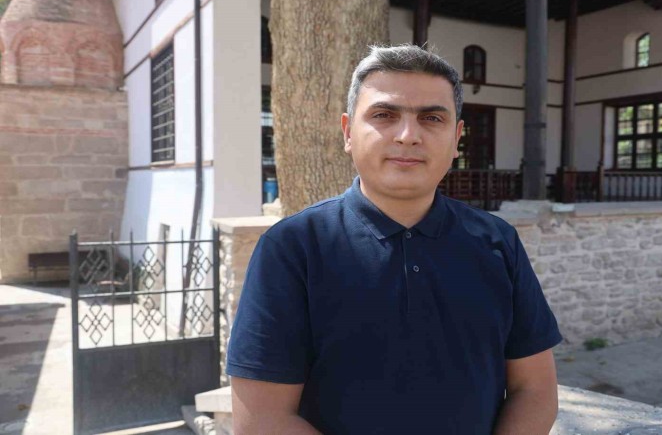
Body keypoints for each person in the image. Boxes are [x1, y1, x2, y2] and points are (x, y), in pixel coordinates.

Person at [226, 44, 562, 434]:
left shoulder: (497, 242)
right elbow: (262, 420)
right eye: (384, 115)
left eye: (431, 118)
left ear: (456, 138)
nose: (407, 136)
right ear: (348, 132)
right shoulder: (294, 248)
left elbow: (535, 389)